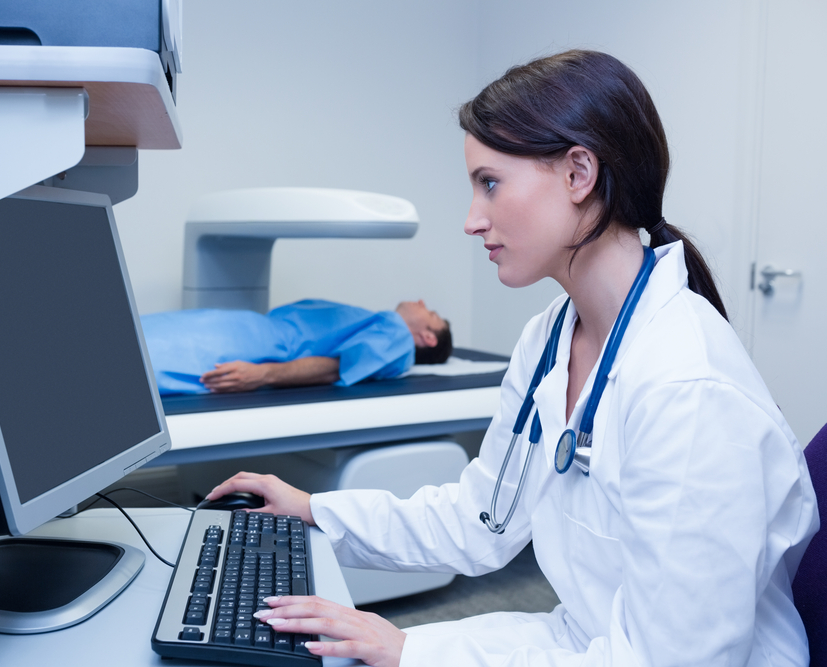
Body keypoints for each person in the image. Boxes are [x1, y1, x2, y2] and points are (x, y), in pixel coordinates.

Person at [203, 50, 819, 666]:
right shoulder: (551, 336)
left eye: (489, 183)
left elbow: (681, 661)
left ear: (580, 173)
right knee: (339, 652)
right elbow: (481, 519)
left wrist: (415, 654)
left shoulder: (688, 388)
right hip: (582, 642)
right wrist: (315, 511)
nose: (473, 221)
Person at [140, 298, 452, 394]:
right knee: (143, 333)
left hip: (254, 345)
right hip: (246, 328)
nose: (422, 303)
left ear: (428, 337)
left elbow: (336, 368)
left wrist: (261, 375)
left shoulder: (397, 339)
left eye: (431, 314)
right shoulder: (383, 325)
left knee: (146, 359)